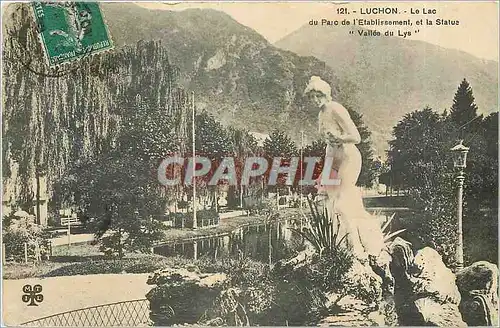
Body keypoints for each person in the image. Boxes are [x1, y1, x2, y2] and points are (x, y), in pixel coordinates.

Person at [304, 76, 385, 261]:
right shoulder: (321, 114)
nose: (315, 100)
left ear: (326, 94)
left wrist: (339, 137)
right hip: (334, 157)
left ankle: (357, 246)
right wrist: (325, 176)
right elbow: (328, 146)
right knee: (328, 199)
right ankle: (337, 245)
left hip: (349, 156)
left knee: (342, 201)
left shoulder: (336, 109)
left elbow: (356, 137)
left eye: (318, 95)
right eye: (312, 97)